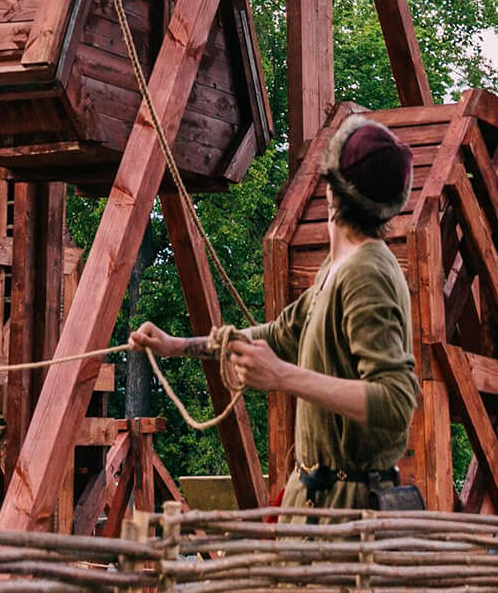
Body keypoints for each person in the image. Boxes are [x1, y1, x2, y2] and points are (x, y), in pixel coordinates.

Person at [135, 117, 422, 509]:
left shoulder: (366, 272)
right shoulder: (338, 268)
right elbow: (279, 335)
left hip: (351, 516)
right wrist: (177, 346)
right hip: (318, 503)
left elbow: (396, 401)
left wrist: (281, 375)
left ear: (332, 190)